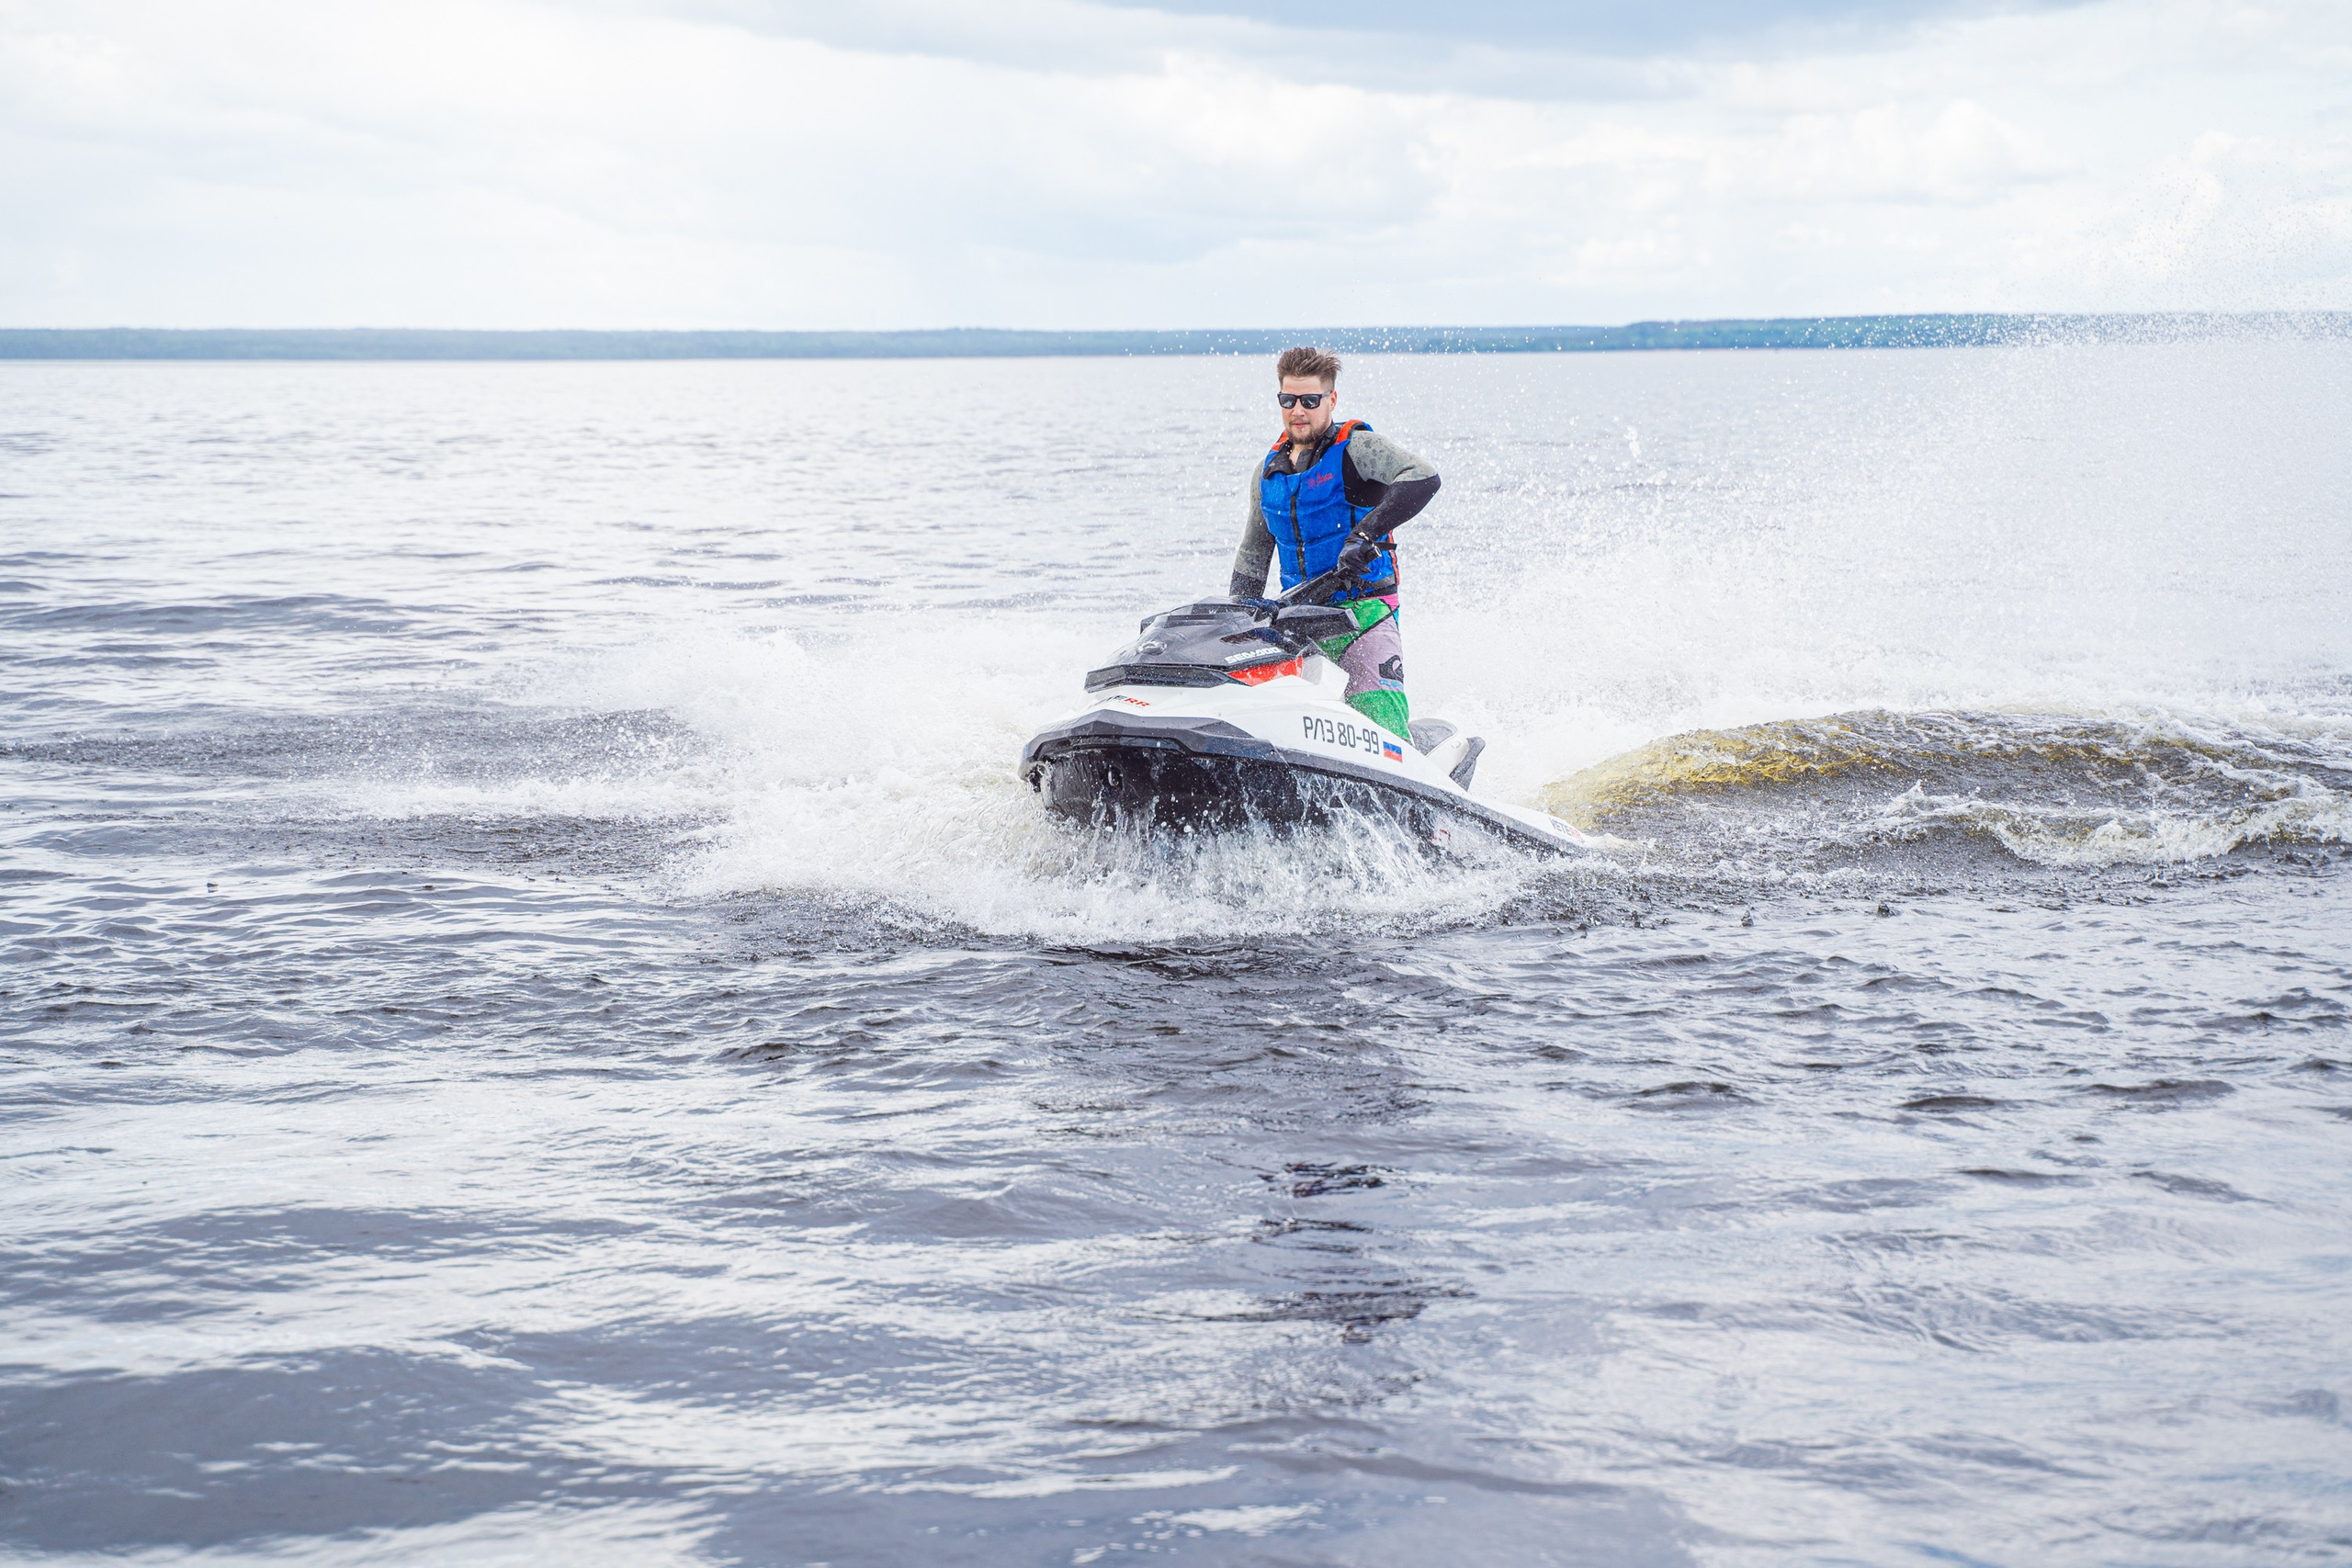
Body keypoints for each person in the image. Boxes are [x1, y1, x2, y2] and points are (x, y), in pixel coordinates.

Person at [1228, 345, 1440, 740]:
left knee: (1382, 732)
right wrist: (1238, 624)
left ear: (1331, 399)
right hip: (1299, 624)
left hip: (1365, 616)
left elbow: (1423, 477)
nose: (1298, 411)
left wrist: (1364, 535)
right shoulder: (1267, 473)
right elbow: (1253, 558)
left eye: (1310, 400)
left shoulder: (1357, 449)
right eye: (1288, 400)